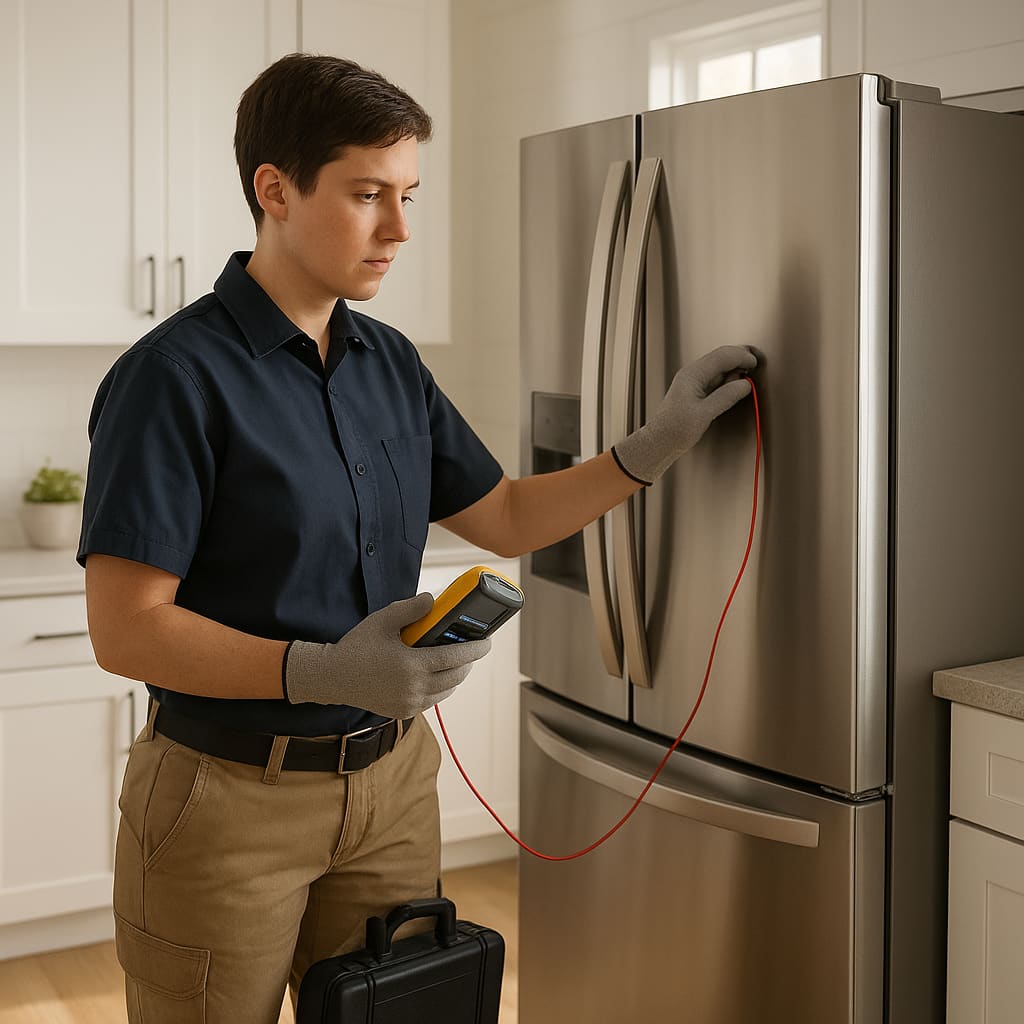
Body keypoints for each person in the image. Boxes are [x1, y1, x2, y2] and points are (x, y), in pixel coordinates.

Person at [79, 53, 756, 1023]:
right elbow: (128, 630)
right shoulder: (173, 379)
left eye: (407, 195)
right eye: (367, 195)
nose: (399, 228)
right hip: (224, 804)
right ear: (274, 190)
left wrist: (648, 450)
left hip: (393, 787)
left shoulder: (389, 363)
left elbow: (509, 516)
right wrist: (323, 672)